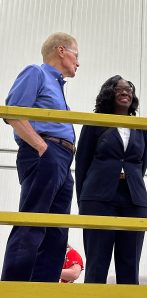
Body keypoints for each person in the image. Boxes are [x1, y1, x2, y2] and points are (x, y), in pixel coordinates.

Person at [1, 32, 79, 282]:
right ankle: (15, 288)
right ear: (61, 51)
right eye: (76, 55)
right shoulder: (35, 72)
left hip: (63, 160)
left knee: (57, 231)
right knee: (33, 221)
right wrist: (41, 147)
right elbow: (11, 113)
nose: (78, 62)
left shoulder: (57, 86)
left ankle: (43, 288)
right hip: (46, 153)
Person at [75, 75, 147, 284]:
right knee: (97, 263)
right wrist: (83, 202)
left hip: (134, 199)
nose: (125, 92)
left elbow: (142, 164)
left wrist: (129, 179)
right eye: (119, 89)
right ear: (109, 93)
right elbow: (82, 164)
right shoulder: (95, 123)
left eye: (129, 90)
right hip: (97, 198)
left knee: (130, 264)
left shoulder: (141, 126)